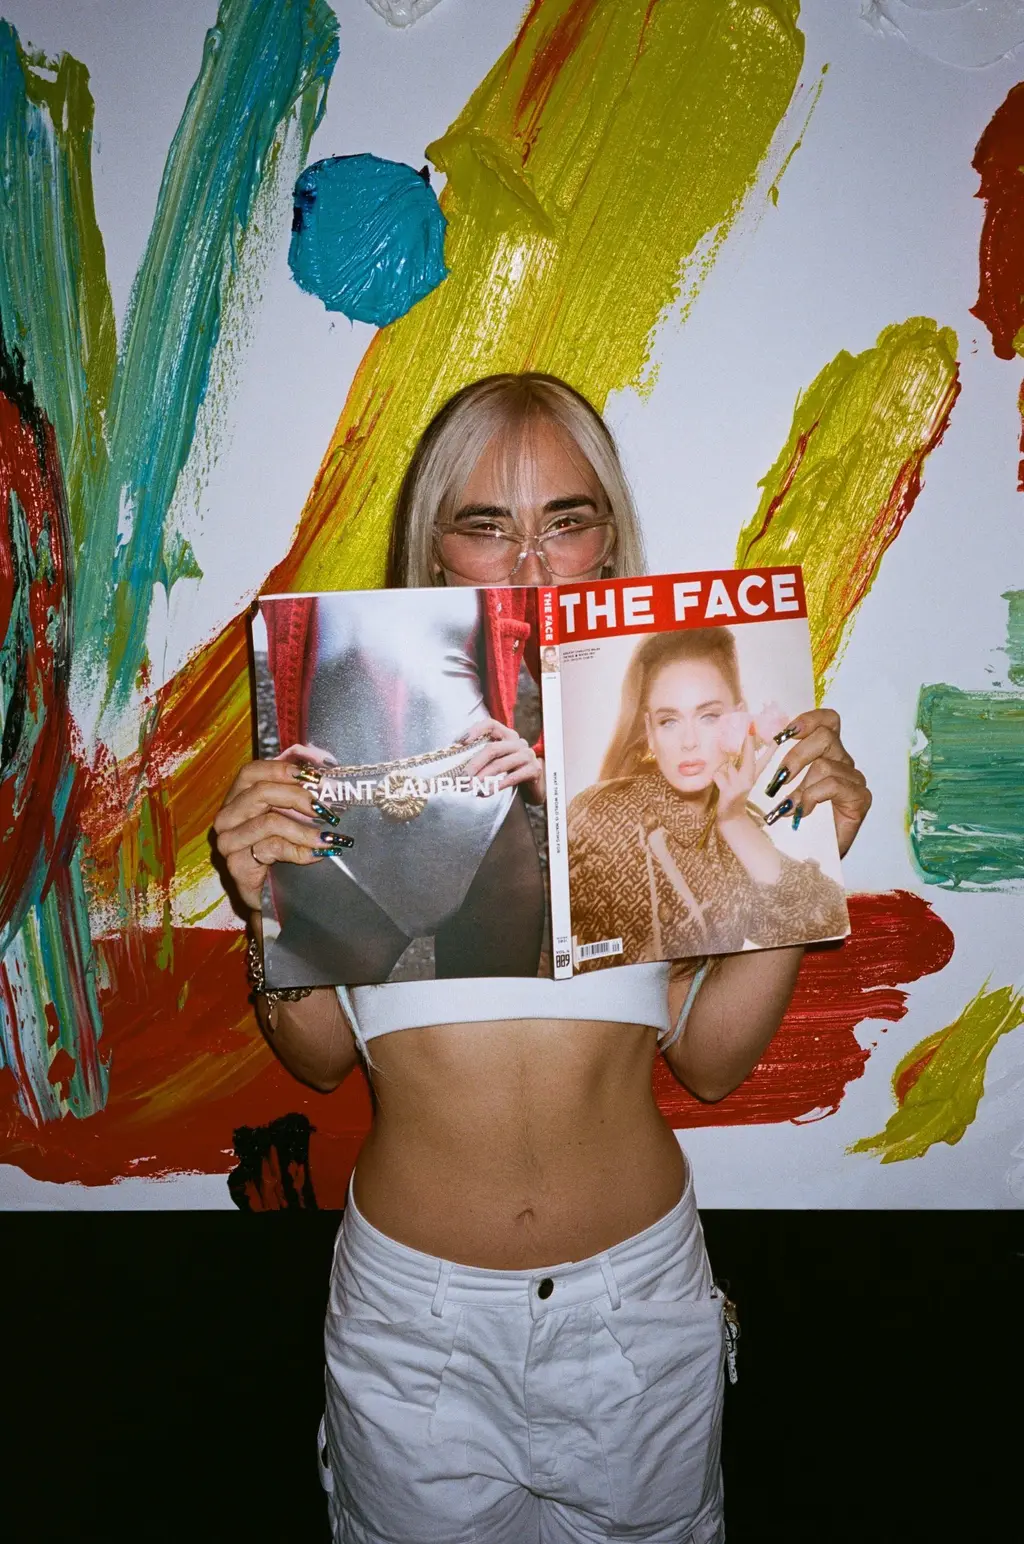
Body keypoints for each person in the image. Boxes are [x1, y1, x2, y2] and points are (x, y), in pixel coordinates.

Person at [213, 373, 872, 1544]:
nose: (529, 560)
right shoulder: (347, 736)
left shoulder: (656, 766)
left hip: (637, 1304)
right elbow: (315, 1057)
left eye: (564, 519)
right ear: (436, 542)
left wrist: (790, 863)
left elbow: (710, 1061)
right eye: (487, 524)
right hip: (413, 1321)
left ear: (606, 534)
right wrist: (264, 899)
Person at [255, 585, 546, 985]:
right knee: (293, 1015)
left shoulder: (488, 552)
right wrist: (258, 780)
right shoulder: (293, 559)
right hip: (337, 827)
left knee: (493, 1026)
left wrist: (544, 762)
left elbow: (579, 654)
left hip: (487, 819)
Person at [568, 626, 850, 966]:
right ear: (650, 732)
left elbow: (824, 921)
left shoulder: (742, 824)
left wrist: (734, 822)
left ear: (740, 720)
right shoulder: (603, 813)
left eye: (709, 717)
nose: (689, 741)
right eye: (669, 721)